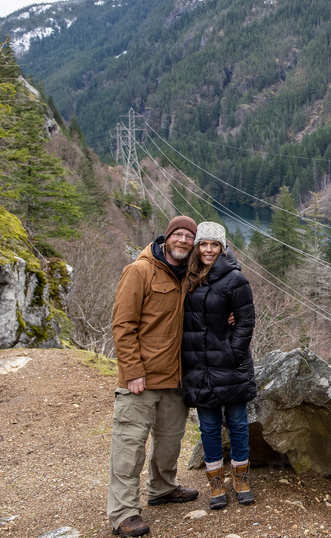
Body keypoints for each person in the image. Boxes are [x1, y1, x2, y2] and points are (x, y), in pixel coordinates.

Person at [108, 216, 201, 537]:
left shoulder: (189, 276)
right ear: (167, 237)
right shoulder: (140, 270)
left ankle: (162, 488)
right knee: (129, 445)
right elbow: (123, 325)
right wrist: (132, 371)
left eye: (190, 237)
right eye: (179, 234)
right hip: (141, 379)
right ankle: (123, 512)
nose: (184, 241)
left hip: (176, 378)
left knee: (170, 441)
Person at [181, 221, 258, 509]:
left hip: (230, 365)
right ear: (196, 247)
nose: (209, 250)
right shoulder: (187, 278)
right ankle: (215, 483)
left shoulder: (235, 279)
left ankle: (241, 479)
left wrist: (233, 353)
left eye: (214, 244)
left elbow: (246, 320)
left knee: (238, 424)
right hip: (198, 365)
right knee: (209, 427)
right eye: (203, 244)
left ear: (223, 247)